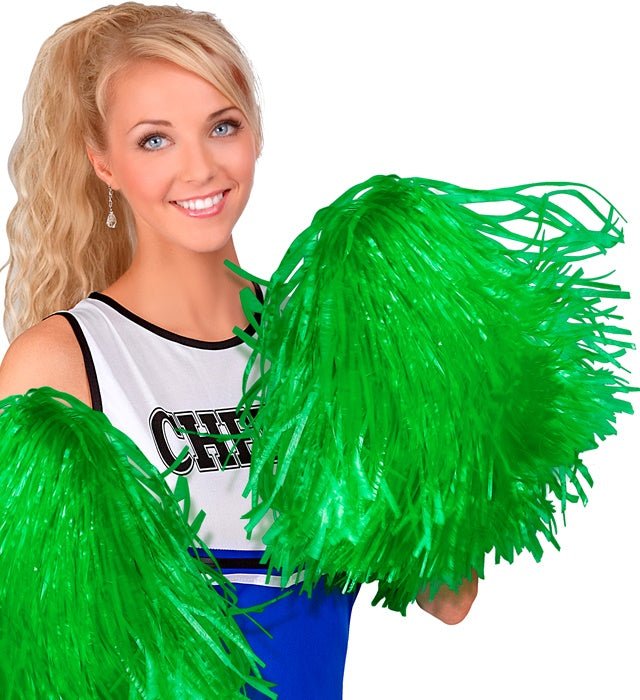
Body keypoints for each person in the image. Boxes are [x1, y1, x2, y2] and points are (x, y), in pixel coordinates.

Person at [0, 2, 477, 697]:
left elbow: (449, 594)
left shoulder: (324, 345)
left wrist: (422, 388)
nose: (199, 168)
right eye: (154, 140)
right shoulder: (64, 363)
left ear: (254, 132)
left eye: (221, 126)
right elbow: (41, 661)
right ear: (103, 162)